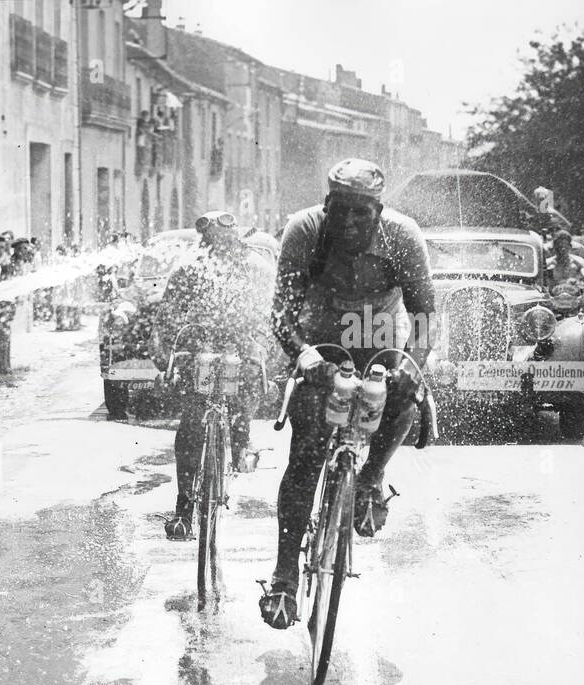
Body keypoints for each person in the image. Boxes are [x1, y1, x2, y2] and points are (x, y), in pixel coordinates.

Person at [258, 158, 435, 630]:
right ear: (327, 205)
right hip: (318, 340)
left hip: (379, 335)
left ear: (378, 210)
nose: (350, 222)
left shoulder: (403, 235)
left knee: (400, 393)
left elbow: (423, 315)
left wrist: (414, 367)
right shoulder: (304, 229)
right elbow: (280, 312)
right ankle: (284, 574)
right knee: (306, 454)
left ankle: (372, 476)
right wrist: (303, 356)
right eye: (341, 211)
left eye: (362, 212)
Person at [154, 211, 272, 540]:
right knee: (191, 422)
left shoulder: (255, 267)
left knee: (246, 389)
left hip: (241, 348)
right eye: (212, 242)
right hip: (198, 351)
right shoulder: (188, 267)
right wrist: (166, 361)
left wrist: (268, 363)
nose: (219, 248)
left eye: (225, 242)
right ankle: (184, 508)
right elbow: (166, 318)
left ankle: (242, 441)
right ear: (205, 241)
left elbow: (272, 318)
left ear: (236, 239)